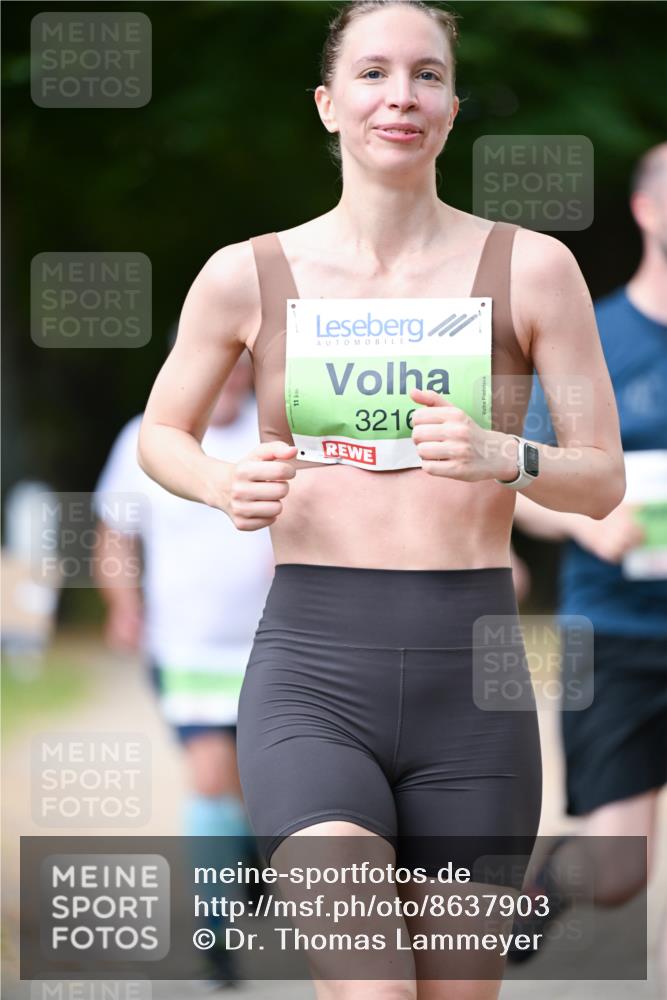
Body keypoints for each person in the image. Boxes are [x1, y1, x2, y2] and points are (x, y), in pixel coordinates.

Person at [137, 2, 624, 996]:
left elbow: (600, 475)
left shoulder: (535, 270)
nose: (399, 94)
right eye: (371, 73)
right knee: (371, 983)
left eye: (426, 74)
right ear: (328, 103)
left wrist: (503, 453)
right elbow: (160, 435)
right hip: (312, 678)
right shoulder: (248, 273)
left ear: (450, 106)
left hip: (473, 691)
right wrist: (224, 483)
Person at [510, 143, 667, 986]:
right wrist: (587, 525)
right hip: (611, 630)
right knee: (615, 870)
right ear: (645, 210)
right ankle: (533, 890)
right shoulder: (594, 337)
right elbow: (520, 479)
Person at [94, 348, 274, 986]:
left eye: (238, 364)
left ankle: (249, 857)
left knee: (257, 782)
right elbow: (115, 535)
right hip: (187, 648)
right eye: (214, 363)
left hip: (273, 645)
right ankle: (215, 934)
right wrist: (123, 606)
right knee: (210, 776)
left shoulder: (273, 429)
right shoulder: (148, 438)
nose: (228, 377)